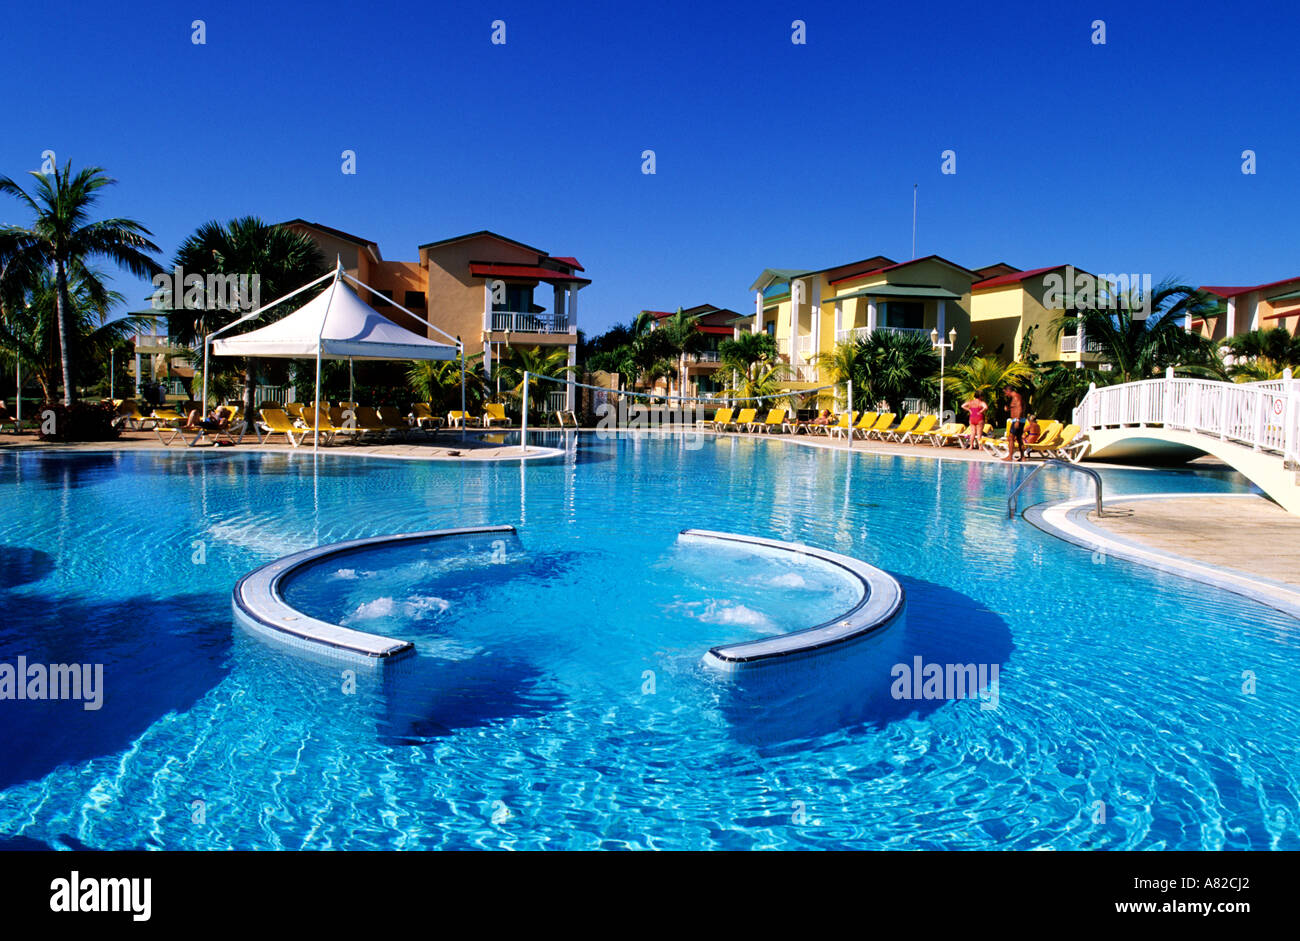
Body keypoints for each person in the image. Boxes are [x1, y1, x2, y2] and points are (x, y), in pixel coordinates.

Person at [1002, 385, 1029, 462]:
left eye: (1005, 392)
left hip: (1017, 420)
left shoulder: (1016, 397)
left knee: (1011, 438)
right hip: (1019, 420)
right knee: (1019, 439)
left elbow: (1020, 408)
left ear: (1008, 391)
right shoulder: (1015, 397)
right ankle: (1022, 457)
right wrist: (1009, 408)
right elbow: (1017, 407)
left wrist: (1017, 420)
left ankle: (1010, 457)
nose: (1005, 394)